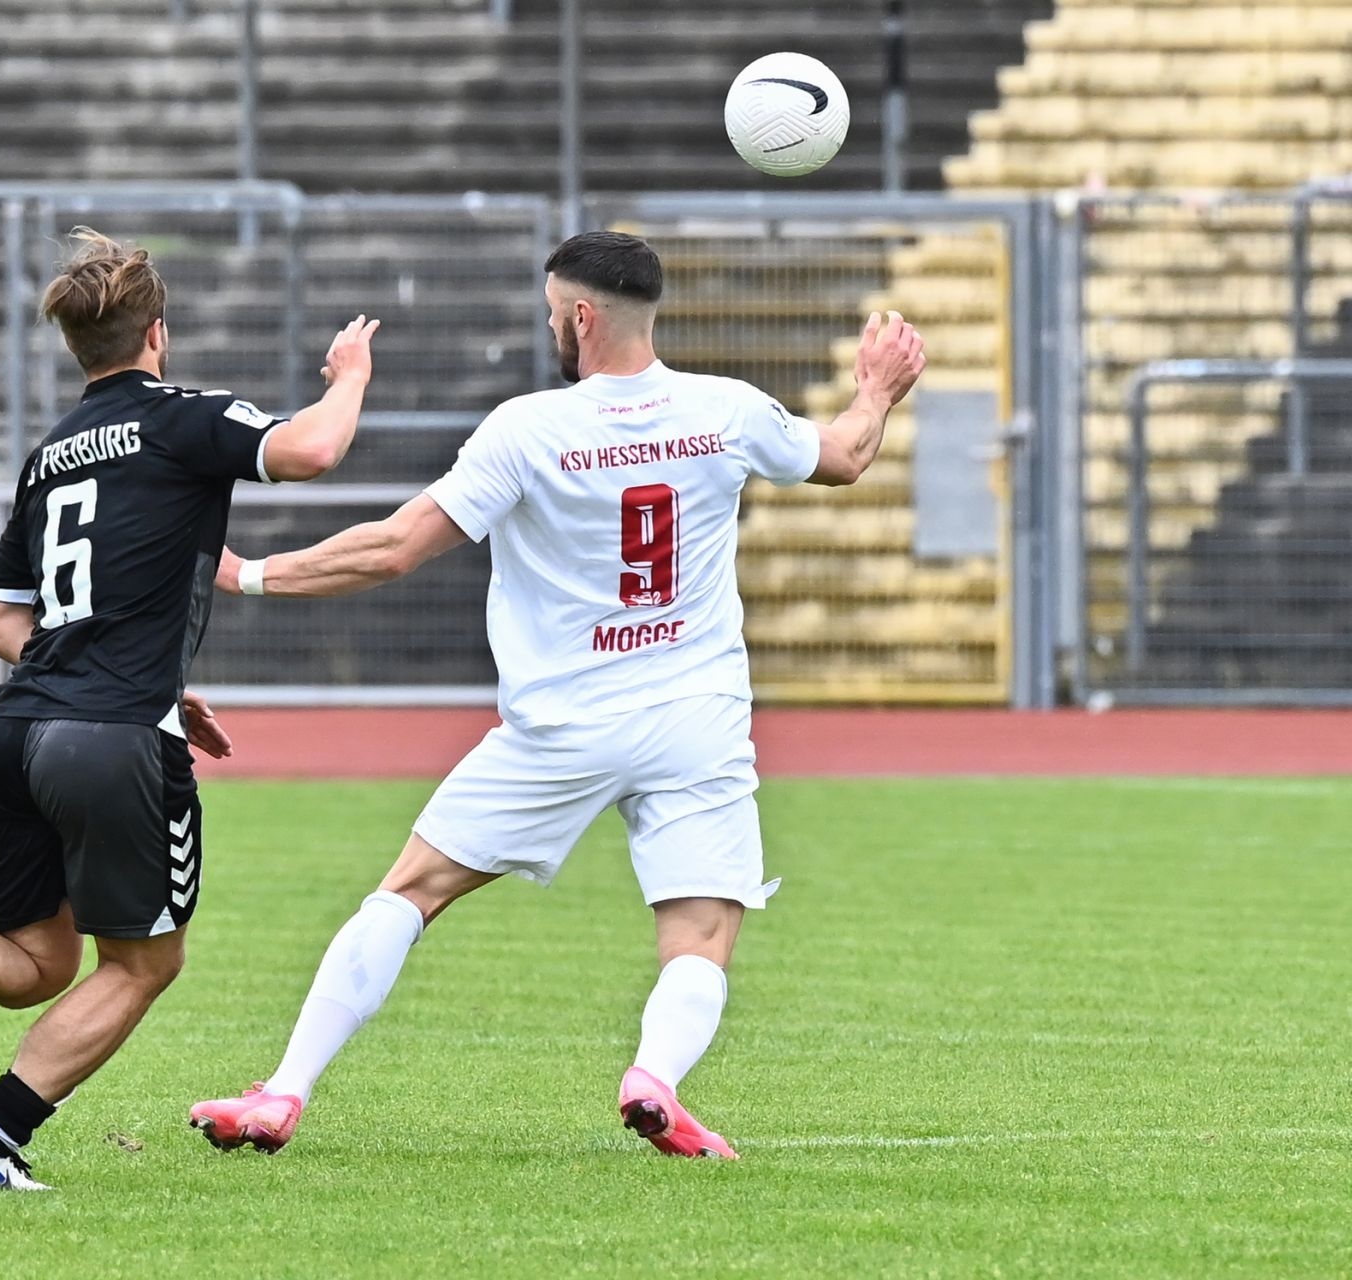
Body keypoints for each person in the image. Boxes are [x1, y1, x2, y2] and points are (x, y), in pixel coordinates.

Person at [190, 231, 925, 1159]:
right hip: (695, 719)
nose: (549, 328)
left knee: (410, 891)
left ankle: (285, 1092)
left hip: (562, 726)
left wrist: (249, 574)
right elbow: (848, 455)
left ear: (581, 316)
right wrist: (877, 389)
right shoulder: (727, 409)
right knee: (700, 933)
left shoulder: (529, 428)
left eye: (550, 314)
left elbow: (395, 548)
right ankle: (654, 1079)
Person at [0, 227, 381, 1190]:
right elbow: (314, 448)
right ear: (157, 334)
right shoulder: (185, 416)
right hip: (114, 738)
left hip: (19, 730)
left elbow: (0, 624)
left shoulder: (48, 458)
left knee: (37, 959)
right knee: (142, 964)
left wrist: (120, 673)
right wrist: (351, 376)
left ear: (81, 346)